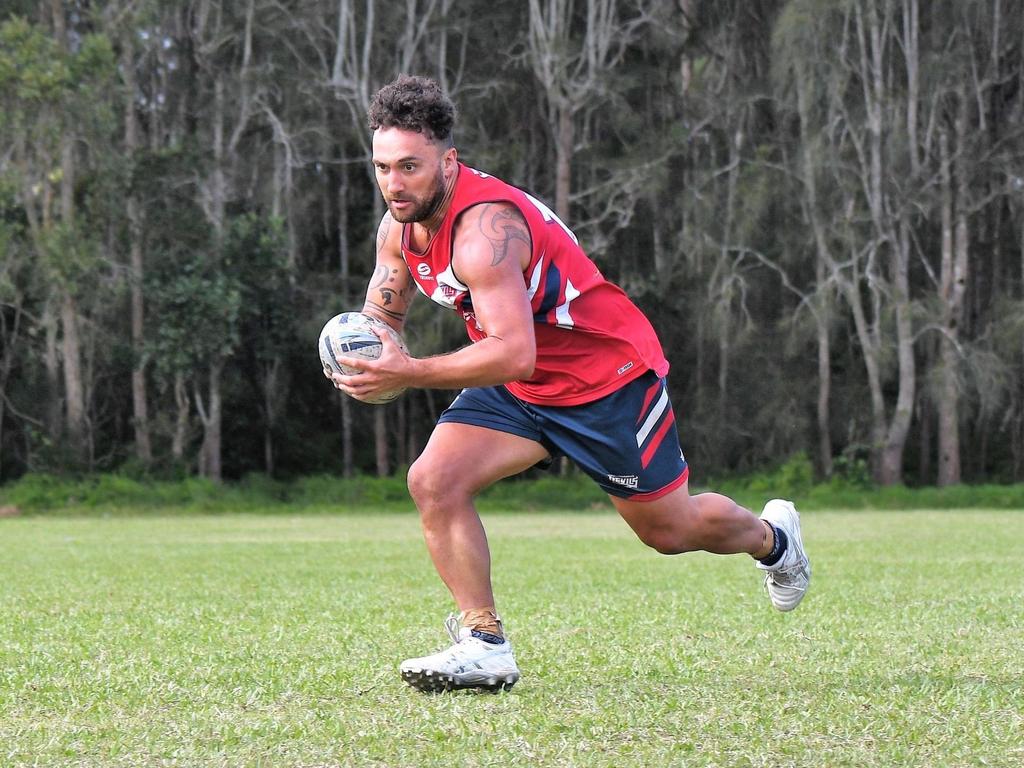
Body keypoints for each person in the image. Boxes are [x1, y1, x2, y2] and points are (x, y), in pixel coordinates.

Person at [326, 74, 810, 694]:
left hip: (606, 379)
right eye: (383, 168)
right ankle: (484, 644)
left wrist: (410, 371)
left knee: (670, 531)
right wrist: (364, 344)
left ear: (448, 161)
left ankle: (774, 540)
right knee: (433, 480)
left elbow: (513, 353)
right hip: (522, 384)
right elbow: (385, 309)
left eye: (410, 167)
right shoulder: (397, 227)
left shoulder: (485, 232)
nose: (394, 184)